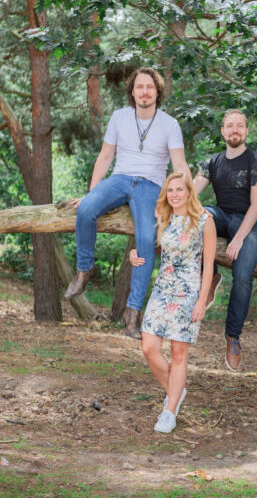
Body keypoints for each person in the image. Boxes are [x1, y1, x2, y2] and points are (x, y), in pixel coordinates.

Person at [64, 67, 191, 340]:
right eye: (140, 87)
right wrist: (92, 192)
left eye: (150, 87)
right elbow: (105, 157)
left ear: (158, 92)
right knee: (85, 210)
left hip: (150, 186)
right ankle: (85, 269)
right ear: (132, 92)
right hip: (119, 179)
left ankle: (132, 314)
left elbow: (180, 166)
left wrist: (184, 203)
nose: (145, 91)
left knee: (146, 240)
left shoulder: (169, 124)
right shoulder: (120, 117)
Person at [130, 172, 216, 433]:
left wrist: (202, 300)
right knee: (149, 347)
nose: (175, 194)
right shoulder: (163, 217)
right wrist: (135, 253)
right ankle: (176, 393)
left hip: (188, 290)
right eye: (170, 190)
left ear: (190, 192)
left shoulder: (204, 221)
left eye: (180, 189)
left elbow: (209, 264)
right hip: (163, 288)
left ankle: (169, 411)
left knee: (179, 353)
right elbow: (149, 247)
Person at [194, 109, 257, 372]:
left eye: (240, 126)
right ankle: (211, 276)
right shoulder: (212, 162)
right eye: (230, 126)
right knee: (200, 215)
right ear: (223, 131)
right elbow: (191, 195)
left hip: (252, 222)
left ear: (246, 131)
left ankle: (233, 336)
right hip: (222, 216)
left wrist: (238, 239)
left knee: (243, 277)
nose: (235, 130)